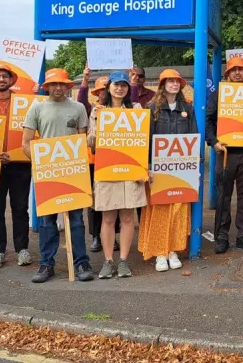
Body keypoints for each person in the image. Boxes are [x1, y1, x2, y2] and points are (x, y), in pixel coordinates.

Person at [22, 68, 94, 283]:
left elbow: (81, 141)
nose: (59, 88)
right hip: (47, 172)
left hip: (74, 171)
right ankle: (46, 263)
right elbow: (26, 143)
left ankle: (81, 261)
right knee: (46, 221)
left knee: (76, 220)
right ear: (47, 87)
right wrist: (41, 162)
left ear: (68, 86)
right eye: (54, 84)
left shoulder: (79, 107)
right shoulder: (36, 108)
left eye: (62, 84)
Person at [87, 71, 147, 278]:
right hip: (107, 169)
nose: (120, 88)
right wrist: (98, 122)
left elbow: (143, 140)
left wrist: (143, 168)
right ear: (108, 87)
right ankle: (108, 261)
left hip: (130, 171)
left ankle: (123, 261)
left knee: (128, 217)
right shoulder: (98, 111)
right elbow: (91, 143)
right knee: (108, 217)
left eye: (123, 85)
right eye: (116, 85)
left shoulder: (136, 109)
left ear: (128, 89)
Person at [139, 69, 196, 272]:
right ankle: (160, 253)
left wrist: (195, 166)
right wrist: (148, 167)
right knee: (160, 211)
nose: (174, 84)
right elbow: (145, 140)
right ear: (162, 85)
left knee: (179, 210)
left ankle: (173, 250)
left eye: (176, 81)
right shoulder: (152, 107)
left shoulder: (187, 109)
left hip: (182, 169)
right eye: (169, 81)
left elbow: (193, 137)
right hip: (158, 169)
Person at [0, 63, 32, 269]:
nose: (1, 80)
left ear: (12, 81)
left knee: (20, 208)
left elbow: (32, 133)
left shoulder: (26, 104)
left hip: (20, 163)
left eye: (5, 76)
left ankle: (22, 249)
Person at [206, 57, 243, 254]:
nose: (237, 73)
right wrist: (214, 142)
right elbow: (209, 120)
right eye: (233, 70)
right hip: (226, 151)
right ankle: (221, 236)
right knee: (223, 196)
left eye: (241, 69)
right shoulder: (219, 92)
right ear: (227, 73)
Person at [77, 72, 117, 253]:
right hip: (93, 161)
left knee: (113, 200)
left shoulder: (119, 110)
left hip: (113, 160)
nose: (103, 93)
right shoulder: (92, 109)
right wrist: (85, 80)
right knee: (94, 200)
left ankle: (111, 236)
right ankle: (95, 237)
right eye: (100, 90)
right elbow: (80, 100)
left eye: (105, 90)